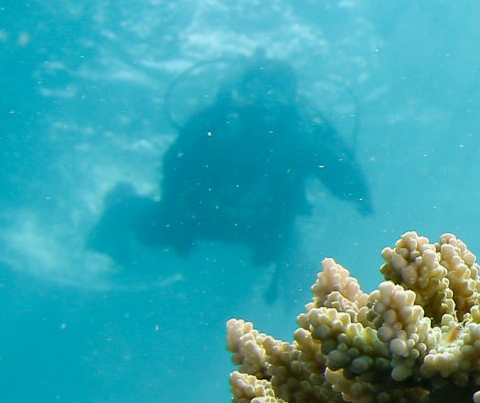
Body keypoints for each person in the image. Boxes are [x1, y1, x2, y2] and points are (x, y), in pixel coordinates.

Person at [91, 58, 371, 271]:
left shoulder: (303, 133)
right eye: (257, 90)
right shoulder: (216, 121)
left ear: (293, 97)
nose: (266, 101)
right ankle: (118, 209)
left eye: (276, 92)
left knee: (282, 251)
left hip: (260, 227)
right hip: (198, 215)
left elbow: (345, 179)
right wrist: (171, 209)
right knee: (146, 229)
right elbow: (175, 164)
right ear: (242, 91)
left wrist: (356, 193)